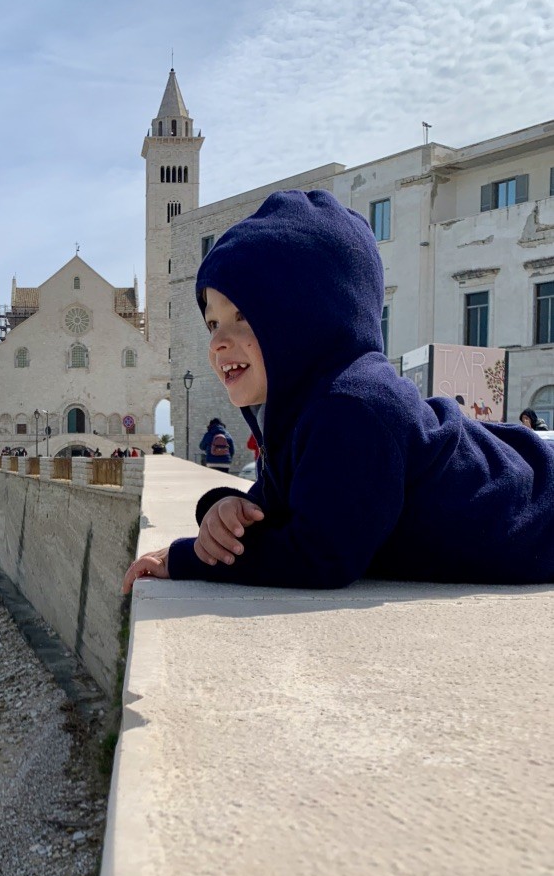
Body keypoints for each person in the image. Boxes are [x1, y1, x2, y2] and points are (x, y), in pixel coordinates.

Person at [123, 189, 554, 594]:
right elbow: (289, 504)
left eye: (244, 317)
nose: (217, 341)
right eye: (213, 322)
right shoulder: (304, 411)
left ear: (309, 319)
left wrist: (187, 560)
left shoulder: (353, 408)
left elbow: (320, 556)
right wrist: (226, 510)